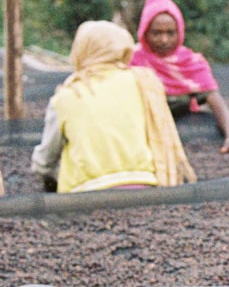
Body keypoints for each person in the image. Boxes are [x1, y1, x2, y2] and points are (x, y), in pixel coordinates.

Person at [31, 20, 197, 193]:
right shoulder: (143, 82)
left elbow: (45, 160)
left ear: (81, 49)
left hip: (83, 193)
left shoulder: (67, 96)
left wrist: (47, 175)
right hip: (144, 186)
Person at [129, 0, 229, 155]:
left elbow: (216, 102)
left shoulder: (190, 63)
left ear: (179, 32)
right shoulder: (132, 61)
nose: (164, 40)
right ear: (145, 32)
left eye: (170, 33)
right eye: (156, 33)